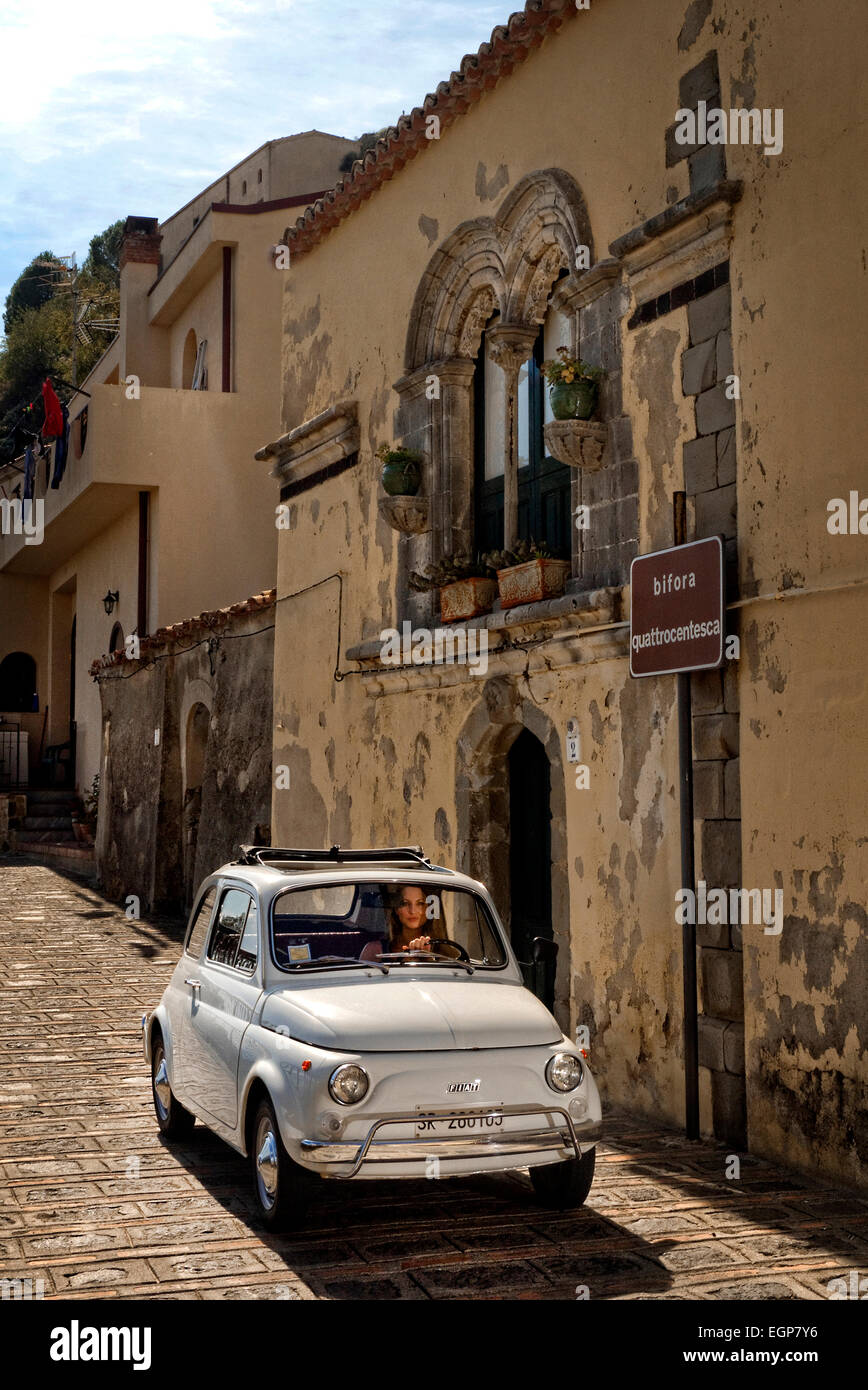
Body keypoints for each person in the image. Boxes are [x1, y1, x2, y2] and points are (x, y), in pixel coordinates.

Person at [360, 885, 458, 960]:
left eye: (420, 903)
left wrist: (427, 959)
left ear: (428, 908)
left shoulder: (447, 953)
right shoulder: (375, 950)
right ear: (397, 909)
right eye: (405, 903)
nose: (412, 911)